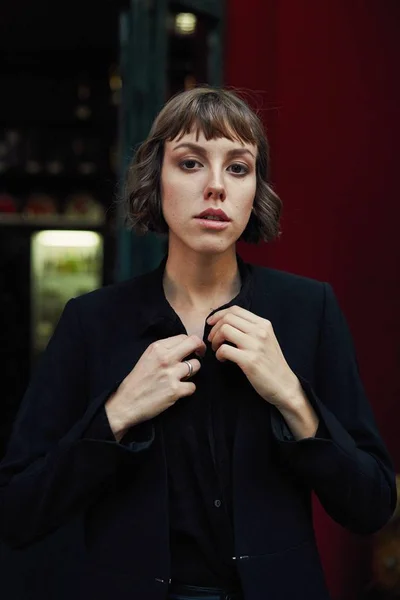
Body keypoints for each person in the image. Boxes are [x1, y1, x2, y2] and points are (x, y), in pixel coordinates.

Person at [0, 87, 396, 600]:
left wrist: (293, 398)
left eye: (237, 167)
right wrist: (117, 414)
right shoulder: (92, 322)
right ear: (155, 180)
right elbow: (18, 511)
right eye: (190, 163)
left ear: (257, 190)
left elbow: (371, 505)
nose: (215, 187)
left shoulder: (308, 310)